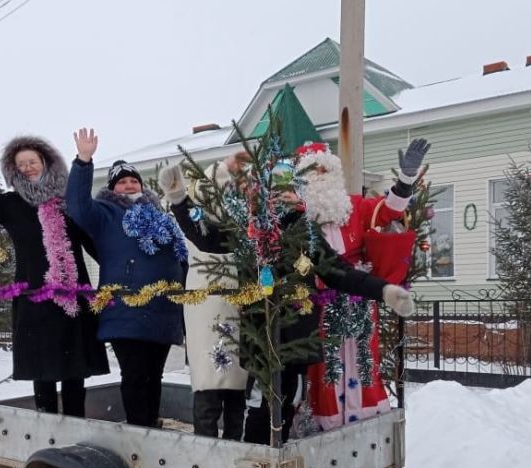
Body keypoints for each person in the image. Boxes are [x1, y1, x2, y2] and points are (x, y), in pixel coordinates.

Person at [158, 155, 413, 444]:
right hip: (262, 339)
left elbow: (339, 272)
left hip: (298, 341)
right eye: (278, 189)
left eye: (290, 188)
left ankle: (277, 457)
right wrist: (180, 201)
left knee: (289, 403)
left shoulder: (306, 234)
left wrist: (384, 291)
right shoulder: (249, 231)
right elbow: (205, 236)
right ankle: (257, 462)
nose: (286, 195)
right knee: (259, 409)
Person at [0, 117, 109, 416]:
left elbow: (96, 245)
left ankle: (76, 432)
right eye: (21, 164)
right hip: (35, 303)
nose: (27, 167)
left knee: (75, 376)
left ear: (46, 162)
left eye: (32, 161)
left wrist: (120, 276)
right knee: (43, 376)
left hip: (72, 299)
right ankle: (46, 436)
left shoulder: (69, 202)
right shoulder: (11, 205)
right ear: (14, 170)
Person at [294, 139, 429, 430]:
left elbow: (388, 211)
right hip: (318, 303)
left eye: (325, 170)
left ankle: (363, 419)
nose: (320, 177)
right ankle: (321, 422)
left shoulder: (354, 206)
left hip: (358, 298)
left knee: (363, 360)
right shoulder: (297, 215)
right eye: (312, 172)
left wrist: (405, 182)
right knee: (323, 367)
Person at [66, 128, 188, 427]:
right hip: (125, 310)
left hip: (162, 310)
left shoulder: (161, 217)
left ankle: (151, 427)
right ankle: (139, 429)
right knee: (134, 374)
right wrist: (83, 161)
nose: (129, 184)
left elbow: (180, 257)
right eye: (122, 181)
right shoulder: (104, 213)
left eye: (134, 180)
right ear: (113, 188)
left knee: (154, 375)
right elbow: (77, 205)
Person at [181, 155, 249, 440]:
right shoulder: (199, 220)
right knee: (209, 379)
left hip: (240, 305)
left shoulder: (245, 223)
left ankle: (235, 447)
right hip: (205, 303)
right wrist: (225, 167)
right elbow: (204, 191)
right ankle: (206, 451)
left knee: (237, 384)